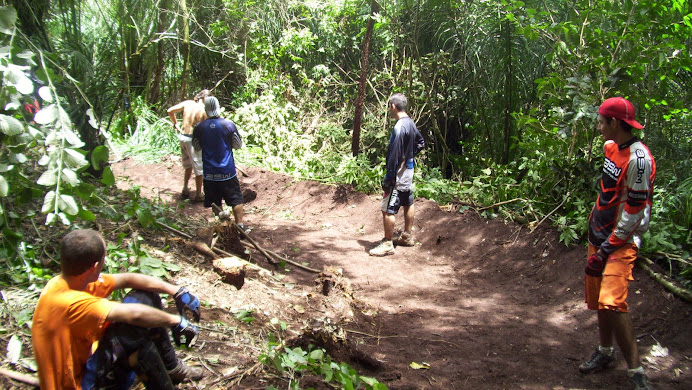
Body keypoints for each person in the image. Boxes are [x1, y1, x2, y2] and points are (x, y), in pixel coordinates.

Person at [32, 229, 204, 389]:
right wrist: (175, 321)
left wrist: (176, 291)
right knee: (134, 334)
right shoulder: (71, 302)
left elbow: (127, 279)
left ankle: (172, 369)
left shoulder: (73, 280)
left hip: (87, 359)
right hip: (79, 384)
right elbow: (134, 315)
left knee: (145, 297)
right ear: (94, 266)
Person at [579, 97, 656, 390]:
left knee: (613, 301)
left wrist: (609, 248)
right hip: (598, 234)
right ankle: (605, 351)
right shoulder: (612, 149)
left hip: (618, 242)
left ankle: (636, 372)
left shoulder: (639, 161)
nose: (598, 128)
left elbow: (635, 212)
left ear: (614, 123)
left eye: (601, 122)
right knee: (600, 300)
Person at [369, 93, 425, 256]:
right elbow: (421, 143)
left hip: (397, 174)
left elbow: (394, 154)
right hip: (408, 171)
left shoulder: (399, 126)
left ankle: (387, 243)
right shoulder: (411, 123)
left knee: (387, 209)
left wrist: (390, 176)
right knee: (408, 202)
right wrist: (410, 156)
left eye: (389, 107)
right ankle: (407, 236)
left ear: (393, 106)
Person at [192, 96, 246, 230]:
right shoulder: (228, 124)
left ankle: (223, 228)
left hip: (210, 173)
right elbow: (238, 144)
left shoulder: (199, 127)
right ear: (218, 107)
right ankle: (240, 226)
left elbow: (196, 147)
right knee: (236, 199)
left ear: (206, 109)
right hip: (227, 171)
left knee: (215, 202)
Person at [167, 89, 210, 202]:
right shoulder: (204, 110)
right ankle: (199, 194)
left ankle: (185, 188)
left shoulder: (187, 103)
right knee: (199, 168)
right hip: (192, 140)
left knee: (188, 165)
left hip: (183, 137)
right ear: (205, 99)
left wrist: (175, 123)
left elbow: (170, 111)